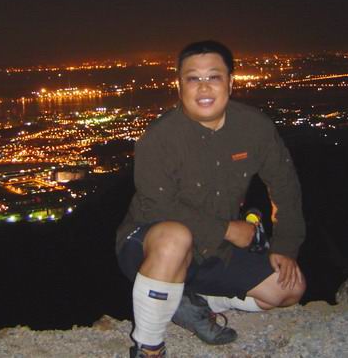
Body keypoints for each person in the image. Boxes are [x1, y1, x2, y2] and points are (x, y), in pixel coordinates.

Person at [116, 40, 306, 357]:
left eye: (213, 77)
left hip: (215, 250)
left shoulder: (254, 127)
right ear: (179, 86)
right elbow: (159, 208)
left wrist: (286, 245)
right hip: (150, 245)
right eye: (193, 78)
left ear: (230, 82)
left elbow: (285, 185)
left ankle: (192, 300)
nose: (204, 87)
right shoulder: (160, 138)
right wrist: (228, 230)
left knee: (289, 289)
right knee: (174, 236)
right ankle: (149, 346)